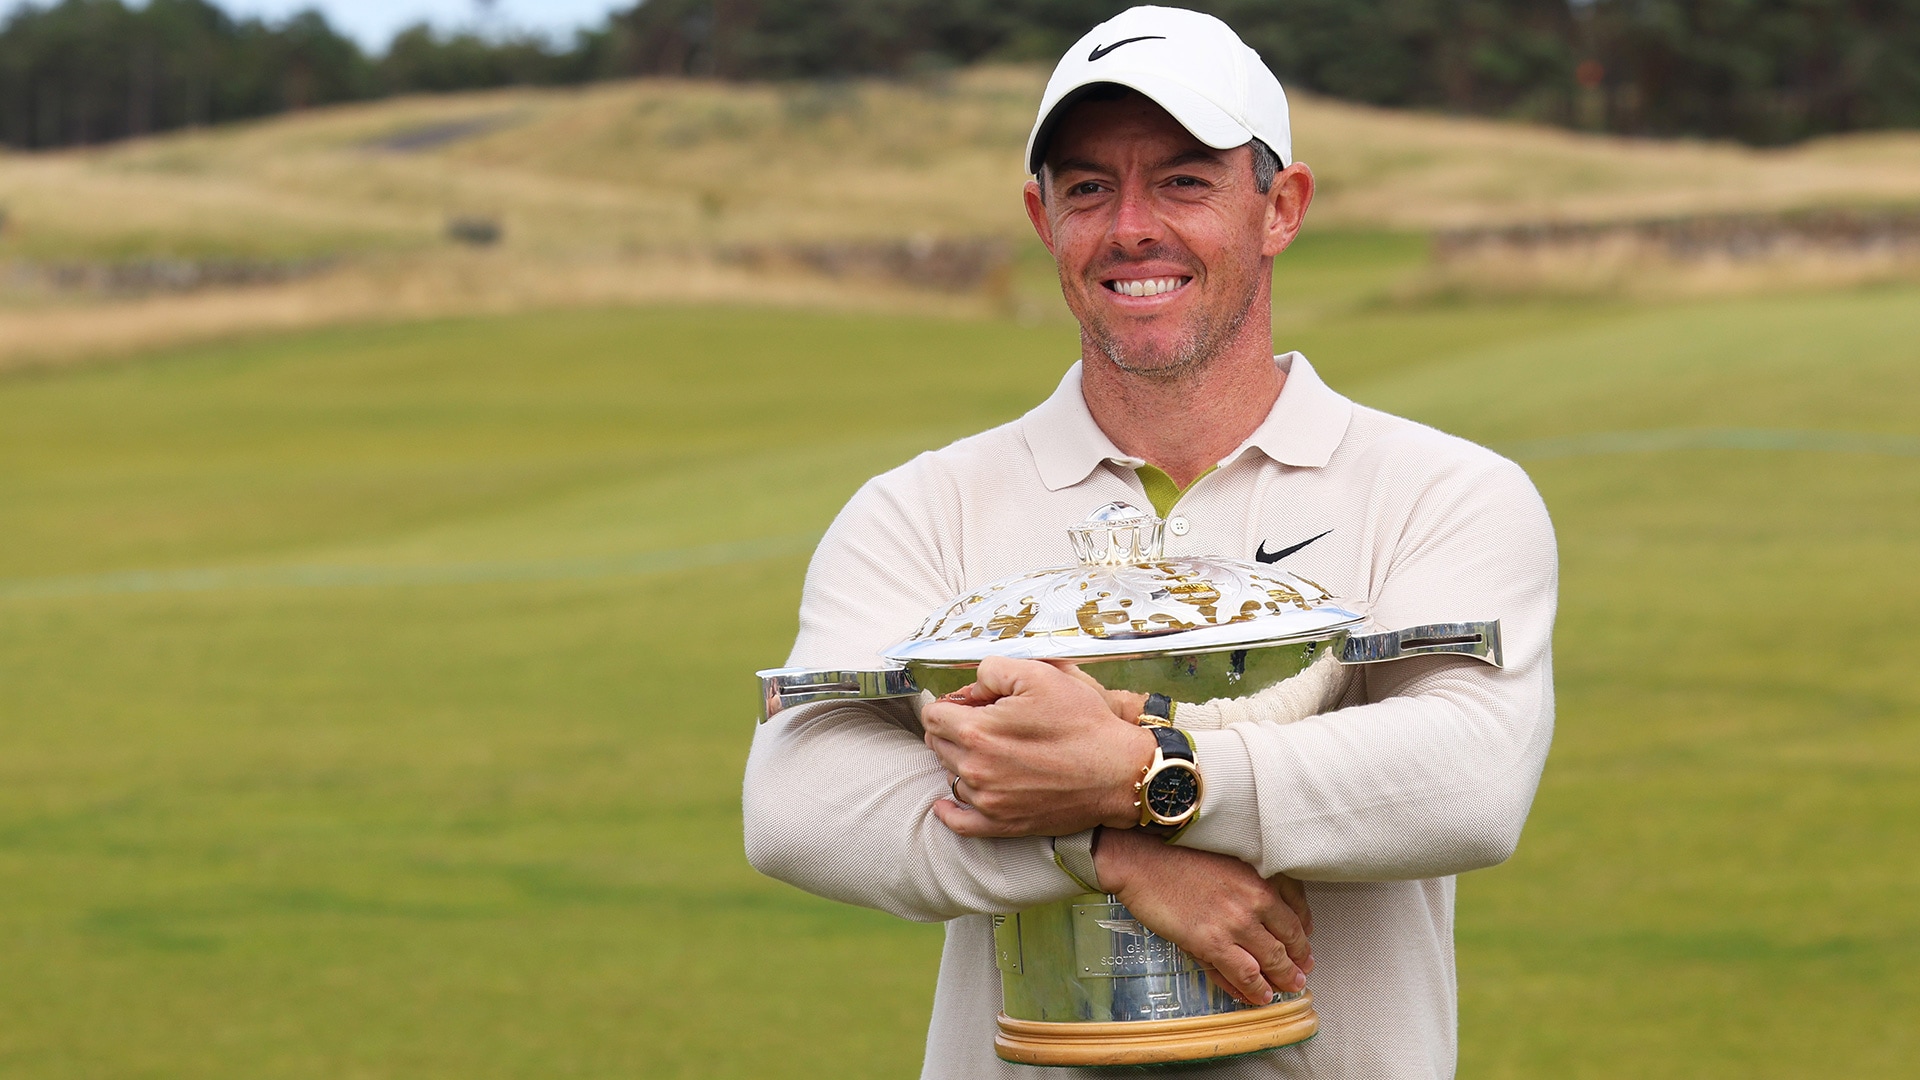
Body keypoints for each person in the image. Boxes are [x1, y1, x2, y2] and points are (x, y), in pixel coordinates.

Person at [742, 6, 1557, 1077]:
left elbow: (1466, 782)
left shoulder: (1443, 490)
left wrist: (1149, 773)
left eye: (1184, 181)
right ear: (1043, 219)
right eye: (1088, 187)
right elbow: (797, 803)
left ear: (1281, 207)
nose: (1131, 227)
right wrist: (1105, 851)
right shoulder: (920, 507)